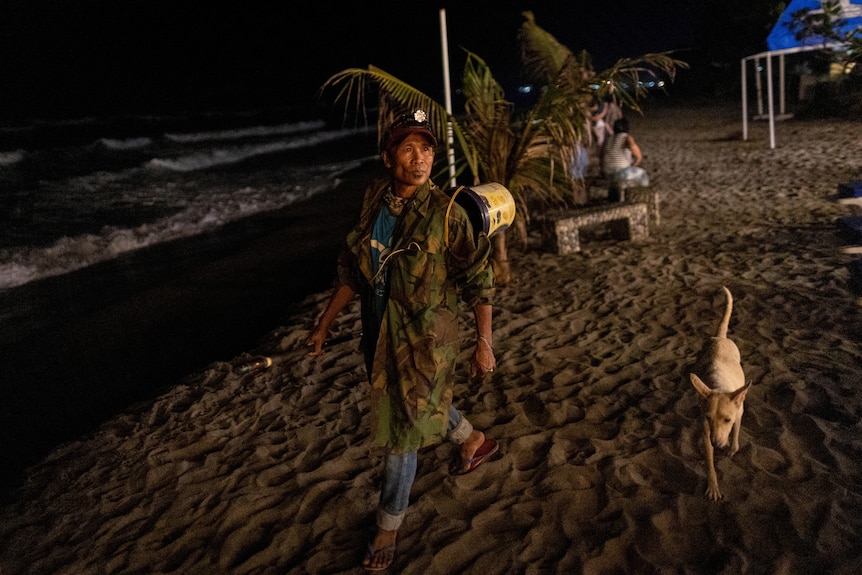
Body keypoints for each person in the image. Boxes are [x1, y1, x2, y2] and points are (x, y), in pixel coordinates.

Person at [305, 109, 499, 572]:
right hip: (380, 334)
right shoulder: (375, 200)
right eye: (409, 148)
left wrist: (484, 342)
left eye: (427, 148)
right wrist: (325, 324)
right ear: (389, 156)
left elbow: (479, 279)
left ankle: (387, 529)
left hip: (429, 342)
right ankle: (473, 440)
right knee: (417, 408)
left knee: (401, 433)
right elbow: (355, 269)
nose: (420, 158)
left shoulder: (447, 213)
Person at [601, 117, 650, 200]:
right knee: (642, 174)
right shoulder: (626, 138)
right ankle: (644, 197)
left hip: (606, 172)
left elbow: (601, 155)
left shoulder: (608, 138)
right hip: (619, 173)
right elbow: (638, 156)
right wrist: (633, 165)